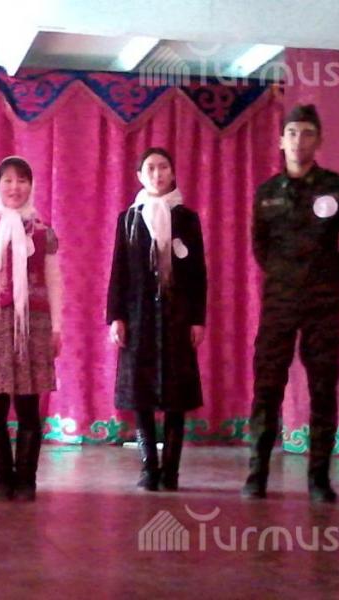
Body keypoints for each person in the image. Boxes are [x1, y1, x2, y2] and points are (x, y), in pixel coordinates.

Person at [242, 104, 339, 503]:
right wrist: (285, 277)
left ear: (319, 140)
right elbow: (259, 246)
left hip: (322, 304)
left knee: (323, 388)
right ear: (281, 140)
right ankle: (257, 474)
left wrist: (327, 275)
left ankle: (319, 478)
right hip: (279, 302)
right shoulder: (267, 193)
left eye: (307, 133)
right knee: (267, 387)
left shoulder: (337, 187)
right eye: (292, 133)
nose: (299, 141)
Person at [0, 156, 62, 501]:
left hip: (34, 324)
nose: (15, 187)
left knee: (30, 407)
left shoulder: (44, 232)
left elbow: (54, 281)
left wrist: (57, 328)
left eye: (22, 180)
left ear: (31, 185)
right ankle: (2, 479)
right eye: (8, 180)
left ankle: (26, 479)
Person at [106, 147, 207, 492]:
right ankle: (149, 467)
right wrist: (116, 316)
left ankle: (172, 470)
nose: (157, 174)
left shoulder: (187, 218)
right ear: (139, 176)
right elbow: (118, 271)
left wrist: (197, 319)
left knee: (177, 396)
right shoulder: (129, 219)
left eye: (163, 167)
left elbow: (198, 273)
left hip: (177, 316)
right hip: (139, 317)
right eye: (150, 168)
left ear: (173, 173)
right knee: (142, 395)